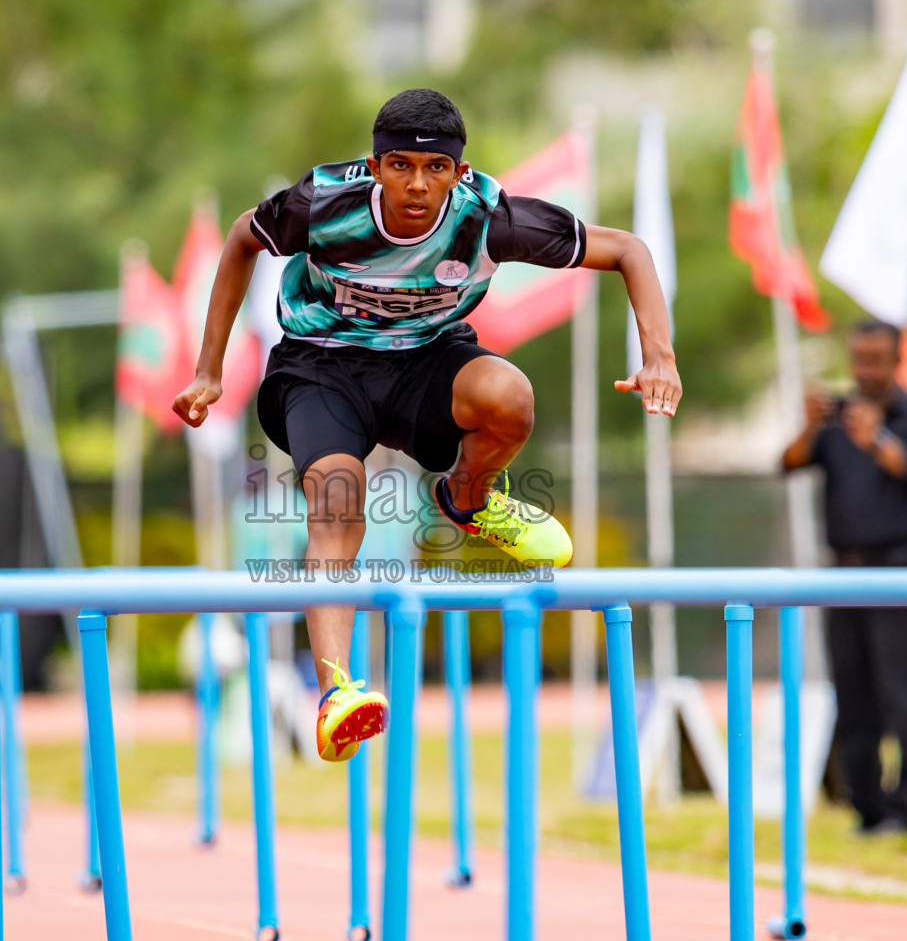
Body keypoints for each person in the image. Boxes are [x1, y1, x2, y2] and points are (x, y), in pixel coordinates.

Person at [175, 89, 681, 761]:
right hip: (323, 367)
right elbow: (243, 237)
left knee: (510, 396)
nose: (418, 186)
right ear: (375, 165)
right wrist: (210, 369)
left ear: (459, 173)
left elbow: (629, 251)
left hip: (425, 364)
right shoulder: (323, 203)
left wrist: (659, 357)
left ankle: (468, 500)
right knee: (336, 504)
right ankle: (336, 695)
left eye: (436, 169)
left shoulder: (488, 217)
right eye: (402, 166)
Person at [782, 318, 907, 835]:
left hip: (900, 569)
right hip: (844, 571)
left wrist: (875, 438)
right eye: (858, 359)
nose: (865, 370)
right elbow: (787, 463)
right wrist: (811, 424)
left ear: (896, 360)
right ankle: (867, 808)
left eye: (875, 359)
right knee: (852, 695)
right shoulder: (836, 420)